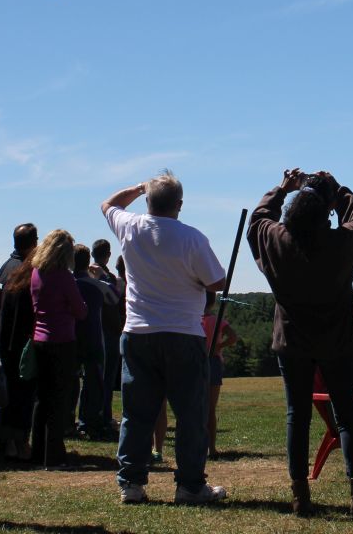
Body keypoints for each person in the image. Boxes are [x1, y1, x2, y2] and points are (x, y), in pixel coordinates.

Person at [248, 169, 353, 516]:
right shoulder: (339, 244)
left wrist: (282, 189)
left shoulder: (277, 240)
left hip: (292, 341)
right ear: (327, 211)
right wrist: (339, 190)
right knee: (347, 417)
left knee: (298, 416)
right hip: (336, 340)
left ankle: (301, 496)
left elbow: (258, 219)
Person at [101, 170, 228, 505]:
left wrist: (138, 186)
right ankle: (189, 485)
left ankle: (131, 483)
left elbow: (108, 204)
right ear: (180, 205)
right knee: (190, 414)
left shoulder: (130, 227)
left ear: (147, 201)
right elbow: (217, 282)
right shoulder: (193, 238)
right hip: (183, 333)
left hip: (138, 331)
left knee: (137, 412)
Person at [29, 230, 88, 468]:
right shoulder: (64, 276)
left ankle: (38, 451)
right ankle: (54, 455)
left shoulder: (36, 272)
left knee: (42, 399)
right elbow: (80, 310)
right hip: (62, 340)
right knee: (59, 399)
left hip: (39, 340)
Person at [0, 255, 37, 462]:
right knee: (24, 395)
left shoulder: (9, 280)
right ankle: (21, 441)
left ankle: (8, 442)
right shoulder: (31, 286)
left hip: (6, 344)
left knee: (8, 395)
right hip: (23, 346)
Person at [74, 244, 117, 439]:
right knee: (94, 383)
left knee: (71, 383)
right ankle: (90, 421)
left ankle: (70, 421)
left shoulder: (68, 281)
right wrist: (103, 276)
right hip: (92, 336)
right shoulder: (94, 284)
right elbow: (114, 295)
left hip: (71, 337)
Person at [89, 239, 125, 435]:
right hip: (109, 330)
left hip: (90, 330)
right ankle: (104, 415)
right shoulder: (109, 278)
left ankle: (91, 414)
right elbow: (115, 299)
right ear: (108, 254)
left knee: (91, 377)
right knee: (108, 377)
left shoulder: (84, 274)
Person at [201, 292, 238, 460]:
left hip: (195, 361)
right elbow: (233, 337)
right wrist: (219, 346)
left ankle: (194, 445)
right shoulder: (217, 321)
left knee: (192, 406)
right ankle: (212, 448)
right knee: (210, 408)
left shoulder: (194, 319)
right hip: (213, 362)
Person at [0, 223, 37, 326]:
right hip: (21, 334)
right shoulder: (29, 271)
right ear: (34, 243)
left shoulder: (5, 267)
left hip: (2, 331)